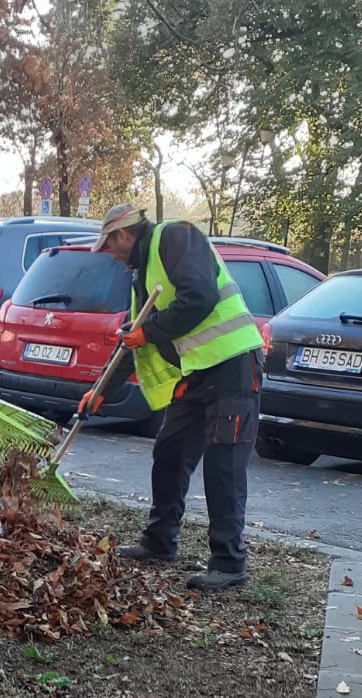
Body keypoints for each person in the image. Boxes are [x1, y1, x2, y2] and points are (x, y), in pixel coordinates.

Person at [84, 203, 263, 591]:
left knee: (223, 465)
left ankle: (229, 563)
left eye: (109, 246)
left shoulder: (176, 236)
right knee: (169, 453)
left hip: (233, 367)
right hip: (197, 375)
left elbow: (199, 296)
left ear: (123, 235)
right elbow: (134, 343)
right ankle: (159, 541)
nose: (110, 255)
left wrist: (147, 332)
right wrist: (99, 393)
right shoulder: (143, 277)